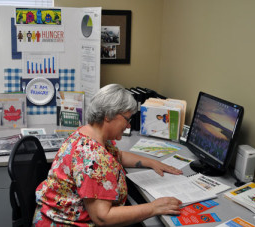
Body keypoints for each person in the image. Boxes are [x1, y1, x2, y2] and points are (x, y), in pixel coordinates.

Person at [33, 84, 183, 226]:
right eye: (127, 119)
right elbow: (102, 217)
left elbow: (119, 156)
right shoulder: (93, 157)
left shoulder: (89, 134)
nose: (129, 126)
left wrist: (152, 162)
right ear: (108, 116)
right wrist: (154, 208)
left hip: (52, 215)